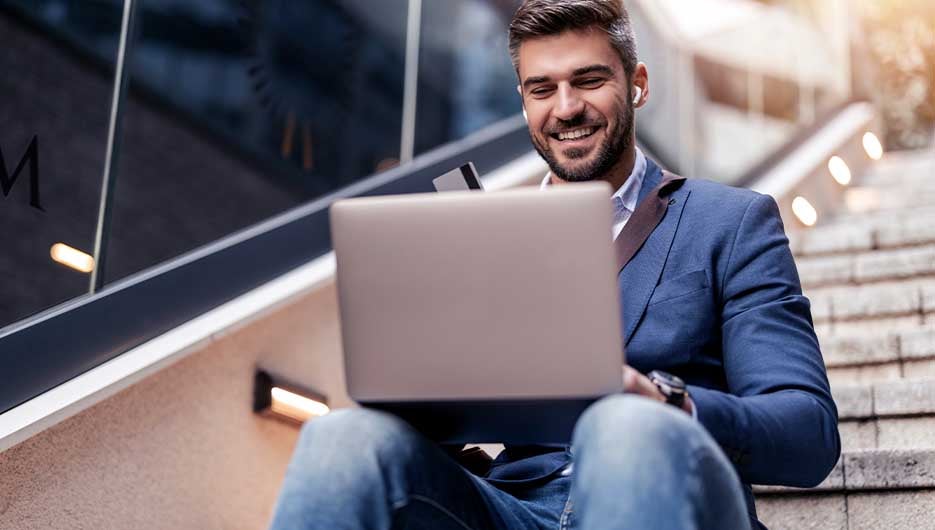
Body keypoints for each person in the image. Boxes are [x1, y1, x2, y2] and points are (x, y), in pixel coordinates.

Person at [268, 1, 840, 529]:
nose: (566, 108)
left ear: (637, 85)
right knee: (341, 438)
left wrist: (666, 402)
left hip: (670, 492)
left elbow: (806, 432)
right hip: (515, 509)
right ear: (523, 102)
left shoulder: (731, 221)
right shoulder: (476, 243)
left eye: (589, 80)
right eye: (542, 88)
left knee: (623, 426)